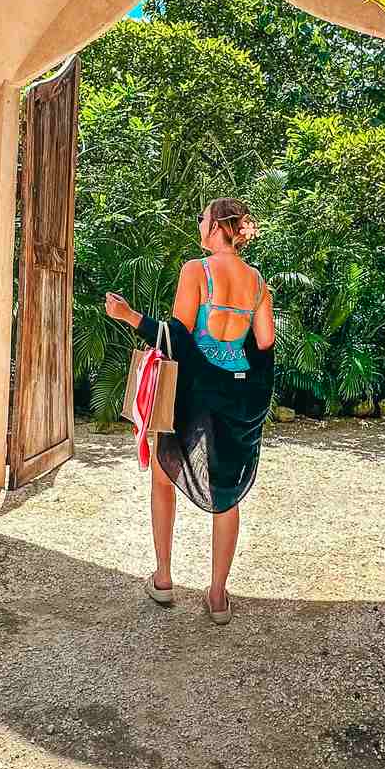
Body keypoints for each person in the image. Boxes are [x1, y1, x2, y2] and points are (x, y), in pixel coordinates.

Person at [104, 197, 276, 626]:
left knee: (164, 479)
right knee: (227, 493)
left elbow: (178, 337)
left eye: (202, 218)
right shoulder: (256, 282)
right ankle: (217, 596)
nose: (199, 224)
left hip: (193, 395)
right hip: (234, 398)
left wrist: (128, 316)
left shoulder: (195, 271)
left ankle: (163, 579)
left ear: (217, 225)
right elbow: (266, 342)